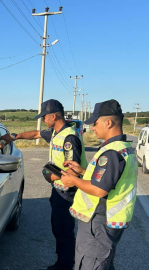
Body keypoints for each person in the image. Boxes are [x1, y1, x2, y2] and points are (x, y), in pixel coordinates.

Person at [1, 99, 87, 270]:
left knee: (64, 231)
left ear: (53, 116)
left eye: (44, 117)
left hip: (67, 192)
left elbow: (74, 171)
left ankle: (65, 265)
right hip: (59, 191)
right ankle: (62, 262)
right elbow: (36, 134)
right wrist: (14, 137)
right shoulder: (56, 132)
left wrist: (49, 176)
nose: (43, 120)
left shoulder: (68, 137)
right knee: (58, 228)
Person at [60, 99, 138, 270]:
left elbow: (99, 189)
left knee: (90, 263)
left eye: (95, 123)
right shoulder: (123, 148)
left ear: (108, 122)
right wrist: (82, 171)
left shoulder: (111, 152)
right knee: (103, 263)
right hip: (108, 221)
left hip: (98, 222)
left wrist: (73, 180)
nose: (93, 128)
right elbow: (108, 180)